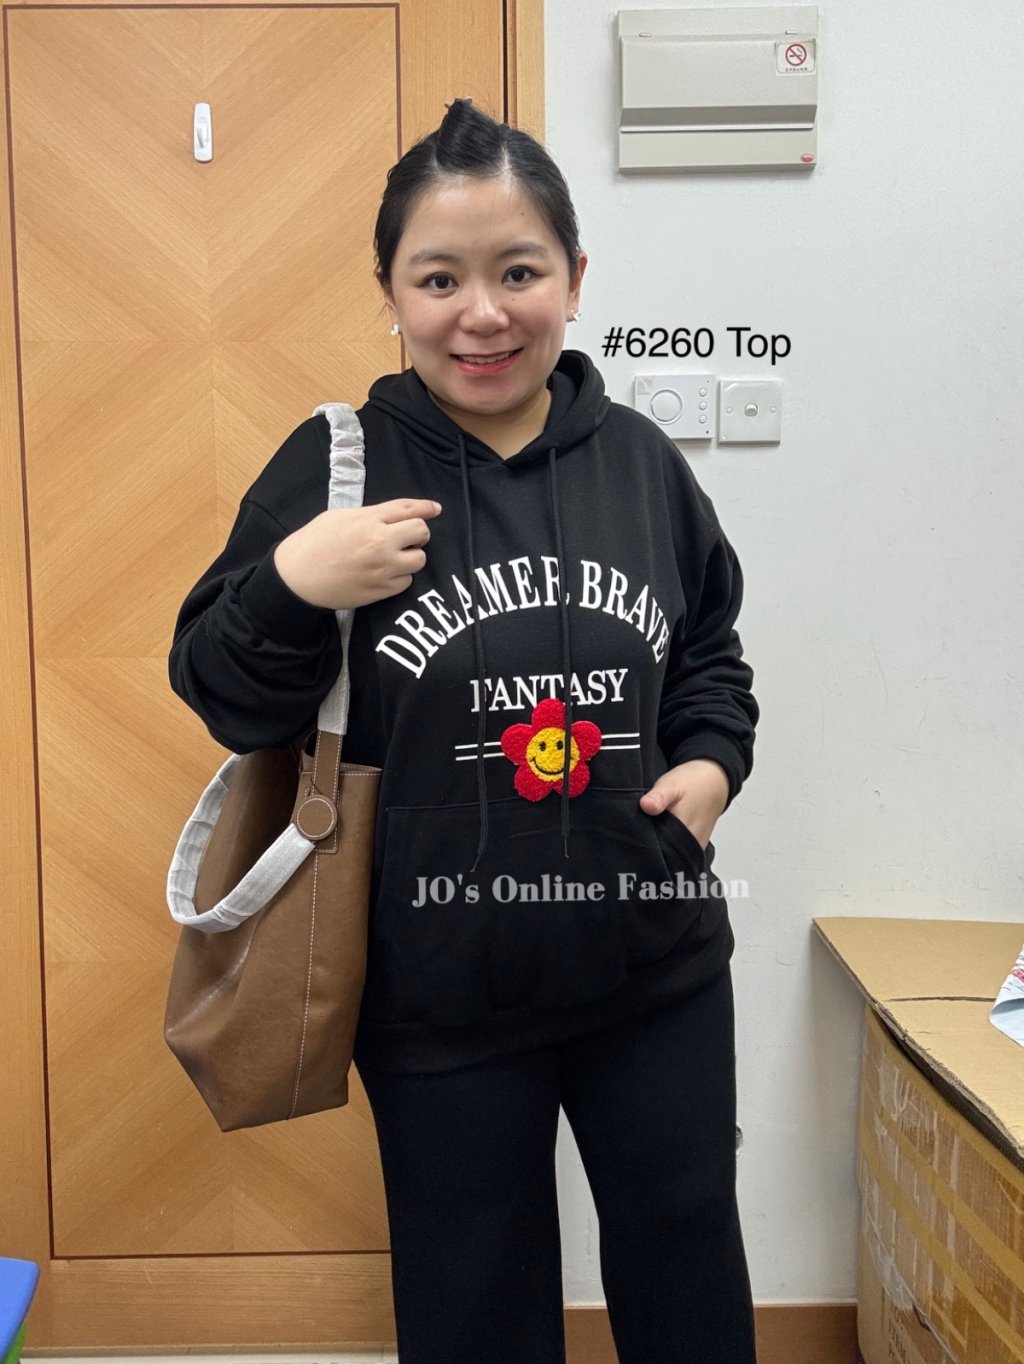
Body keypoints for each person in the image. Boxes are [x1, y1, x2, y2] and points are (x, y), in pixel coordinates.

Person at [170, 97, 759, 1364]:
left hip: (652, 966)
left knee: (684, 1255)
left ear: (574, 278)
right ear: (389, 291)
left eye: (518, 272)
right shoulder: (335, 465)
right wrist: (290, 583)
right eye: (438, 278)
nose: (481, 313)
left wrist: (712, 763)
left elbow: (708, 648)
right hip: (435, 988)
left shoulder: (640, 461)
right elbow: (221, 691)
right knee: (473, 1297)